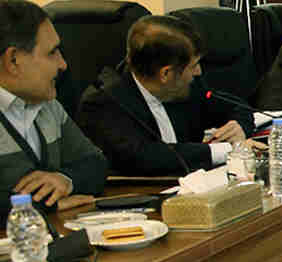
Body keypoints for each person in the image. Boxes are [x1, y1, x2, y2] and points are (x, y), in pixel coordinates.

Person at [79, 15, 257, 176]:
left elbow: (235, 106)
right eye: (194, 65)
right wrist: (229, 150)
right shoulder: (103, 103)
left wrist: (238, 127)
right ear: (166, 73)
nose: (199, 71)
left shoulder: (184, 84)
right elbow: (144, 156)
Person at [0, 0, 106, 205]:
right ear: (13, 60)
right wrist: (46, 205)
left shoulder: (48, 105)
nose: (63, 64)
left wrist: (65, 180)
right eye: (52, 53)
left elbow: (95, 163)